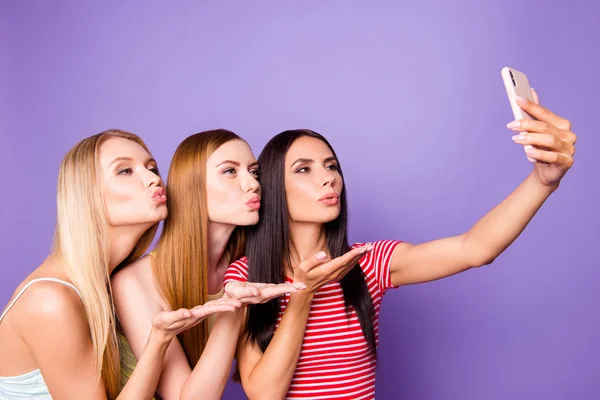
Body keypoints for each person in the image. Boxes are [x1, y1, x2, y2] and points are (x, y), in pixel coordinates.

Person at [224, 92, 577, 399]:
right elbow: (265, 393)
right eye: (304, 169)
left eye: (331, 166)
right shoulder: (246, 276)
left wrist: (542, 181)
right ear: (271, 186)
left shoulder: (369, 262)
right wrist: (302, 296)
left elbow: (475, 248)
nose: (328, 177)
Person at [0, 129, 239, 400]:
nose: (153, 179)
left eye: (152, 168)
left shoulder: (113, 284)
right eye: (125, 171)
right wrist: (158, 342)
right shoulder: (50, 300)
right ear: (87, 193)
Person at [112, 129, 304, 400]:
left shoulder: (247, 268)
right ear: (192, 186)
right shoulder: (134, 282)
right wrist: (233, 307)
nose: (252, 184)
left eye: (254, 172)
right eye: (230, 171)